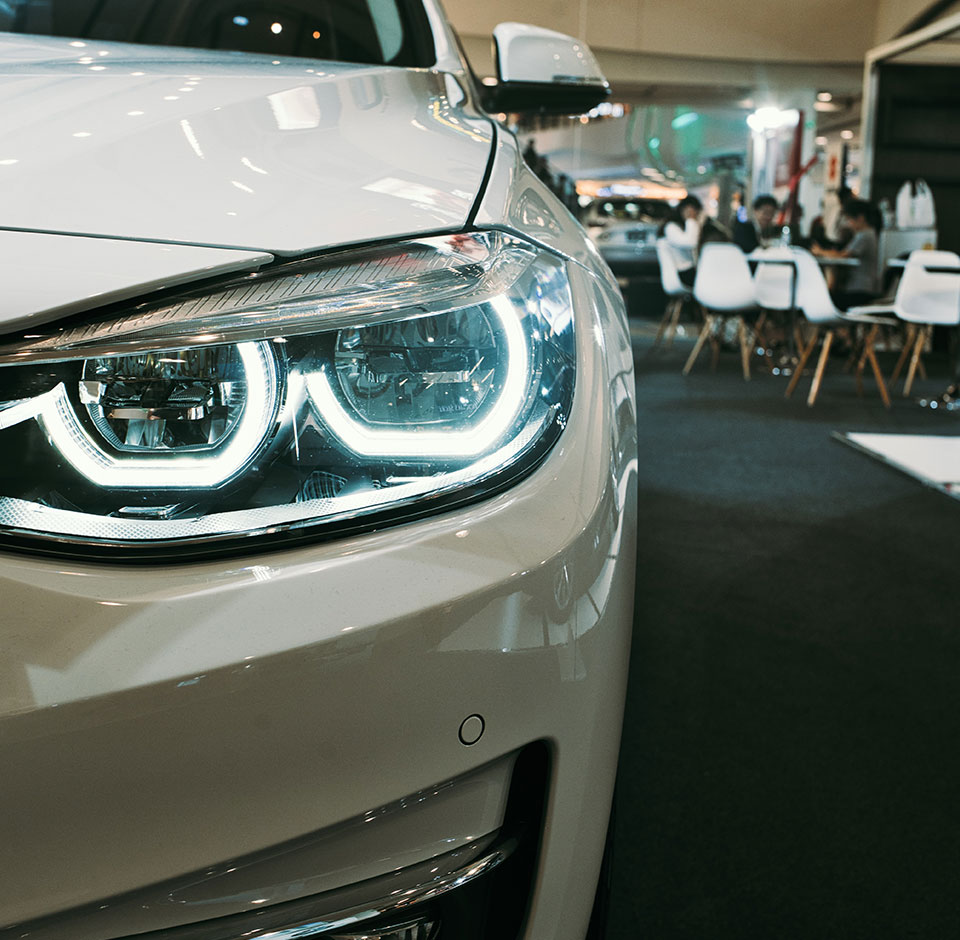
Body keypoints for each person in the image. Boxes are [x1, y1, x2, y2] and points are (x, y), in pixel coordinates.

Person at [813, 198, 881, 309]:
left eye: (849, 219)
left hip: (859, 291)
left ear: (860, 218)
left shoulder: (865, 235)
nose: (848, 224)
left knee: (824, 299)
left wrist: (820, 251)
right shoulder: (867, 234)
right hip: (860, 289)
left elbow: (843, 255)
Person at [658, 195, 703, 287]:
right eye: (695, 212)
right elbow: (691, 243)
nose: (696, 216)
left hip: (688, 271)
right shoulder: (671, 227)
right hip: (681, 273)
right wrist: (690, 220)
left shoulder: (681, 227)